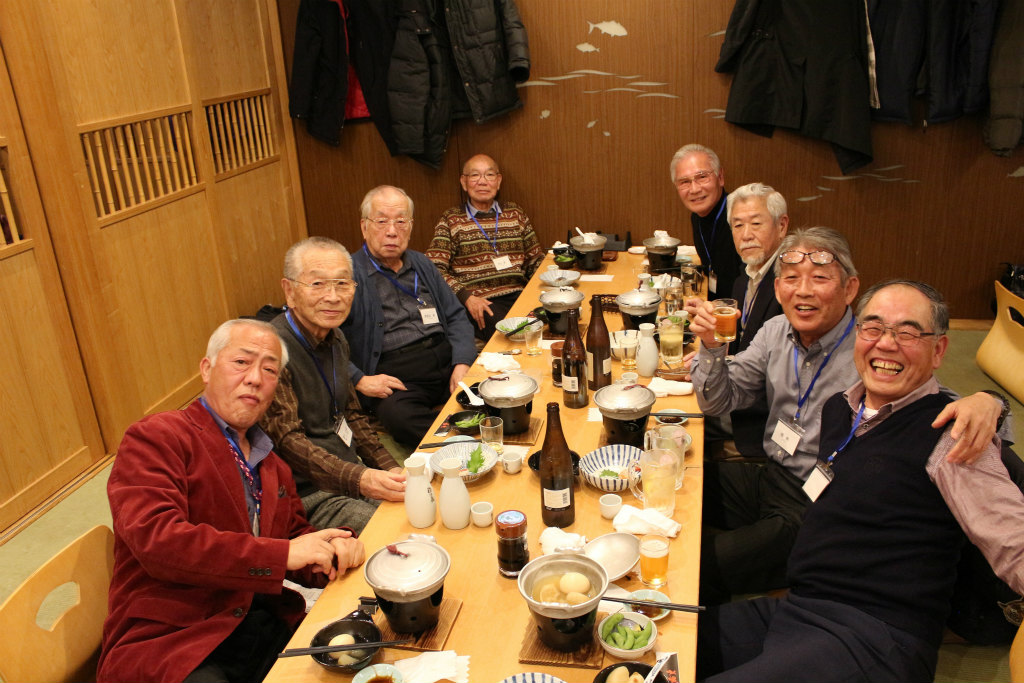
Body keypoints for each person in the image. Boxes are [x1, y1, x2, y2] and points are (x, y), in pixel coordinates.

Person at [696, 280, 1024, 683]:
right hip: (800, 609)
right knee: (665, 644)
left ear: (939, 350)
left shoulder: (952, 436)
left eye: (907, 333)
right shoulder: (840, 409)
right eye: (873, 328)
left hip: (875, 636)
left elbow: (1014, 541)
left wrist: (991, 400)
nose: (886, 343)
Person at [686, 227, 1009, 604]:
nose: (803, 291)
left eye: (820, 278)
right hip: (771, 474)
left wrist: (991, 401)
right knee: (682, 484)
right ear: (777, 289)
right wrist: (711, 346)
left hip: (820, 505)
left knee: (700, 563)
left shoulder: (870, 348)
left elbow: (936, 404)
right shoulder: (775, 332)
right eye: (791, 278)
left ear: (850, 289)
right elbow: (718, 402)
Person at [99, 320, 365, 683]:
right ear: (206, 369)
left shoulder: (270, 461)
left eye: (269, 370)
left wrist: (331, 548)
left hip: (257, 624)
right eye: (241, 362)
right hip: (176, 637)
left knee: (361, 655)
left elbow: (291, 537)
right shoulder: (157, 437)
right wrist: (282, 555)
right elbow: (158, 541)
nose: (255, 378)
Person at [261, 237, 406, 534]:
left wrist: (390, 468)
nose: (333, 296)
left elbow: (351, 414)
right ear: (289, 291)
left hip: (349, 472)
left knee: (419, 506)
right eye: (317, 284)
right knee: (392, 533)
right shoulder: (271, 351)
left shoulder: (335, 337)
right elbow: (289, 441)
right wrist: (360, 479)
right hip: (309, 493)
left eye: (342, 284)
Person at [343, 185, 478, 447]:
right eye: (382, 221)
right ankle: (464, 444)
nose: (392, 231)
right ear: (364, 226)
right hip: (398, 376)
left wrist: (462, 362)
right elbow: (325, 343)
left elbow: (456, 315)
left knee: (495, 386)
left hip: (447, 360)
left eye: (401, 221)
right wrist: (359, 379)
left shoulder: (422, 263)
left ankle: (469, 430)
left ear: (411, 225)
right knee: (400, 418)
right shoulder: (348, 275)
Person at [426, 154, 544, 341]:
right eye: (475, 175)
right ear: (464, 182)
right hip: (481, 301)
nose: (482, 182)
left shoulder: (515, 213)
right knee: (513, 333)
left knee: (553, 319)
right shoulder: (451, 220)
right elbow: (433, 269)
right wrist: (466, 297)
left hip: (518, 294)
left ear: (498, 181)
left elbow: (535, 260)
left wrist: (552, 286)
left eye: (489, 175)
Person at [725, 182, 789, 459]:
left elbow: (776, 371)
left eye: (756, 223)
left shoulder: (790, 281)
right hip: (739, 388)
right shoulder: (745, 277)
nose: (746, 235)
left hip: (762, 416)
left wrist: (718, 366)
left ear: (782, 226)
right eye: (738, 225)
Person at [670, 143, 744, 299]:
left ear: (720, 177)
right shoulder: (697, 217)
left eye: (702, 177)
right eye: (684, 182)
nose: (694, 189)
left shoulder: (740, 219)